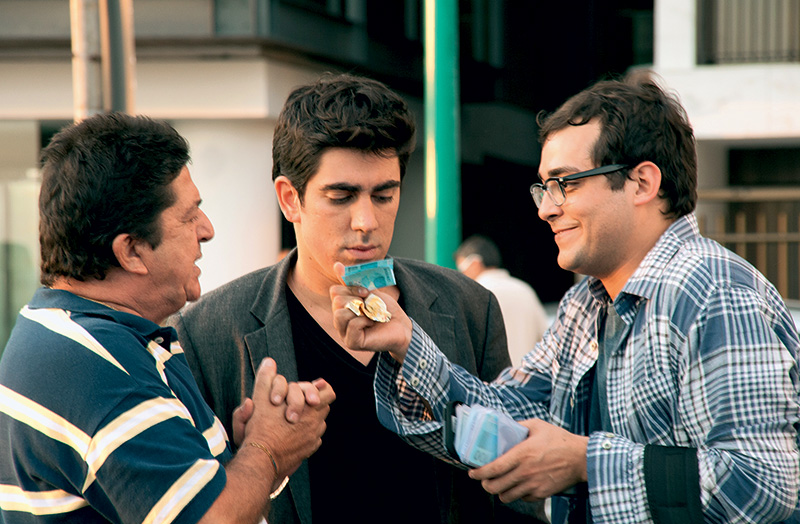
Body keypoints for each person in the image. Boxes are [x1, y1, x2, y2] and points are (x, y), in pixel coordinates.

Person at [330, 74, 800, 523]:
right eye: (543, 187)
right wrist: (406, 342)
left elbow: (763, 484)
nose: (547, 208)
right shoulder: (587, 303)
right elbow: (505, 417)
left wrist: (585, 463)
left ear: (643, 182)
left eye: (566, 184)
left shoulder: (713, 293)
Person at [167, 73, 541, 524]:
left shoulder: (467, 306)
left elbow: (514, 486)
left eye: (384, 195)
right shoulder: (210, 330)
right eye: (341, 196)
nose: (366, 220)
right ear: (290, 200)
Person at [0, 113, 334, 523]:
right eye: (189, 215)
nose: (207, 230)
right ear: (132, 251)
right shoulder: (101, 370)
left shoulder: (76, 337)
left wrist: (246, 456)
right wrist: (267, 450)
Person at [455, 235, 549, 366]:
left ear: (475, 263)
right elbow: (546, 338)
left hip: (491, 383)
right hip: (528, 379)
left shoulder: (474, 293)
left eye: (461, 269)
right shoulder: (525, 290)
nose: (461, 275)